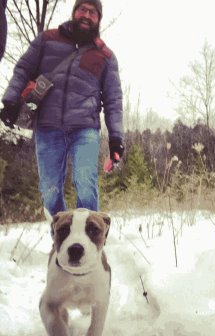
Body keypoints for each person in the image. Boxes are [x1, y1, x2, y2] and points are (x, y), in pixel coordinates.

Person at [0, 0, 124, 216]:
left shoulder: (106, 56)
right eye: (83, 9)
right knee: (50, 191)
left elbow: (114, 100)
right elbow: (22, 69)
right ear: (74, 12)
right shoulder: (47, 39)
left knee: (85, 184)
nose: (87, 15)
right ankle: (61, 239)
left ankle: (90, 244)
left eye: (93, 12)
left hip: (85, 129)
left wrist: (116, 139)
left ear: (98, 19)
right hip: (48, 127)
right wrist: (10, 101)